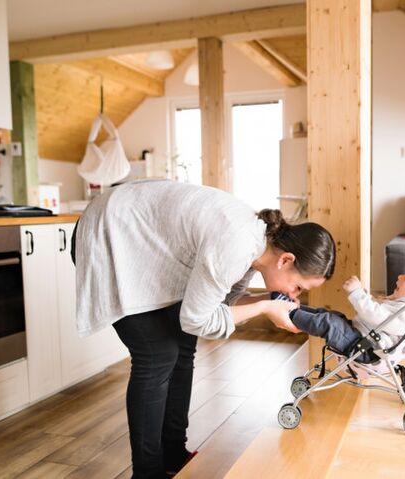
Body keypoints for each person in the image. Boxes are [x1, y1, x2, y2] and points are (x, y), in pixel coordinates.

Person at [73, 180, 336, 478]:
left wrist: (268, 301)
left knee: (183, 345)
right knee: (157, 355)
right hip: (110, 231)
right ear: (285, 259)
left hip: (140, 239)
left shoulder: (258, 249)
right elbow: (198, 319)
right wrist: (265, 308)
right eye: (298, 287)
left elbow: (222, 301)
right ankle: (147, 473)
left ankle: (173, 453)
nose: (294, 295)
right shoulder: (237, 244)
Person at [273, 263, 405, 361]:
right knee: (331, 316)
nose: (400, 277)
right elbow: (381, 314)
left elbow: (377, 316)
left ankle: (288, 313)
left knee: (327, 322)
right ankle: (291, 306)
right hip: (360, 337)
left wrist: (357, 293)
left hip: (365, 349)